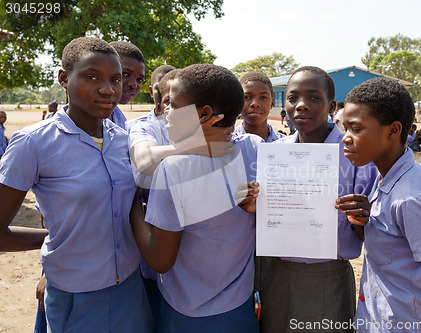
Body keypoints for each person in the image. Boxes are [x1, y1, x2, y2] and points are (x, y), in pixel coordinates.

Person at [0, 37, 153, 332]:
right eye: (91, 77)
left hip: (130, 290)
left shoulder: (125, 141)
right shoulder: (33, 143)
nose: (108, 89)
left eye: (116, 79)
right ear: (63, 78)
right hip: (76, 296)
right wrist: (54, 239)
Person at [238, 66, 377, 333]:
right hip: (277, 275)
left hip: (328, 278)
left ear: (332, 105)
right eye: (293, 98)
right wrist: (251, 203)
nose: (301, 105)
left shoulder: (355, 157)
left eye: (314, 97)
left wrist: (363, 217)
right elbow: (260, 214)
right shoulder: (272, 154)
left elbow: (372, 233)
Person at [130, 64, 261, 332]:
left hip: (185, 314)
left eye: (174, 105)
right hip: (239, 308)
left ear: (204, 115)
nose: (166, 111)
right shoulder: (255, 150)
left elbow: (160, 261)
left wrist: (133, 211)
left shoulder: (173, 169)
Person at [336, 77, 421, 332]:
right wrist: (364, 221)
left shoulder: (410, 198)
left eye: (356, 129)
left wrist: (413, 303)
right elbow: (391, 252)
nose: (346, 138)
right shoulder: (385, 176)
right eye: (344, 128)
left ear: (393, 130)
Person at [233, 71, 285, 142]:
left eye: (263, 97)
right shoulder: (227, 143)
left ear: (271, 104)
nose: (255, 103)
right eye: (247, 97)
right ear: (238, 102)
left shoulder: (284, 144)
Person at [109, 40, 146, 129]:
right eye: (125, 74)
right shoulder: (77, 120)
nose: (133, 84)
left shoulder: (119, 119)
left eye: (139, 79)